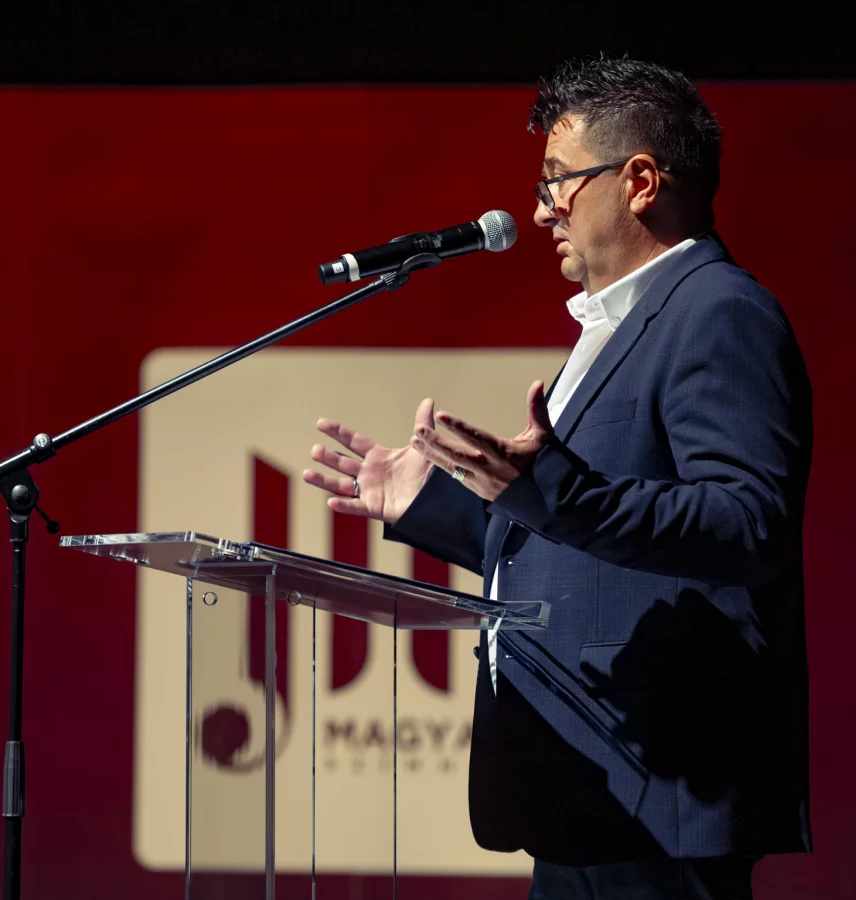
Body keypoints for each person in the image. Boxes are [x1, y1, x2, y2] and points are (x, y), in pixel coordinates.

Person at [302, 56, 812, 899]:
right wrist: (432, 506)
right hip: (587, 783)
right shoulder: (615, 327)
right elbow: (580, 542)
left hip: (661, 787)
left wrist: (555, 490)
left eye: (558, 180)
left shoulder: (718, 311)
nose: (540, 208)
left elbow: (748, 522)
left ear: (639, 181)